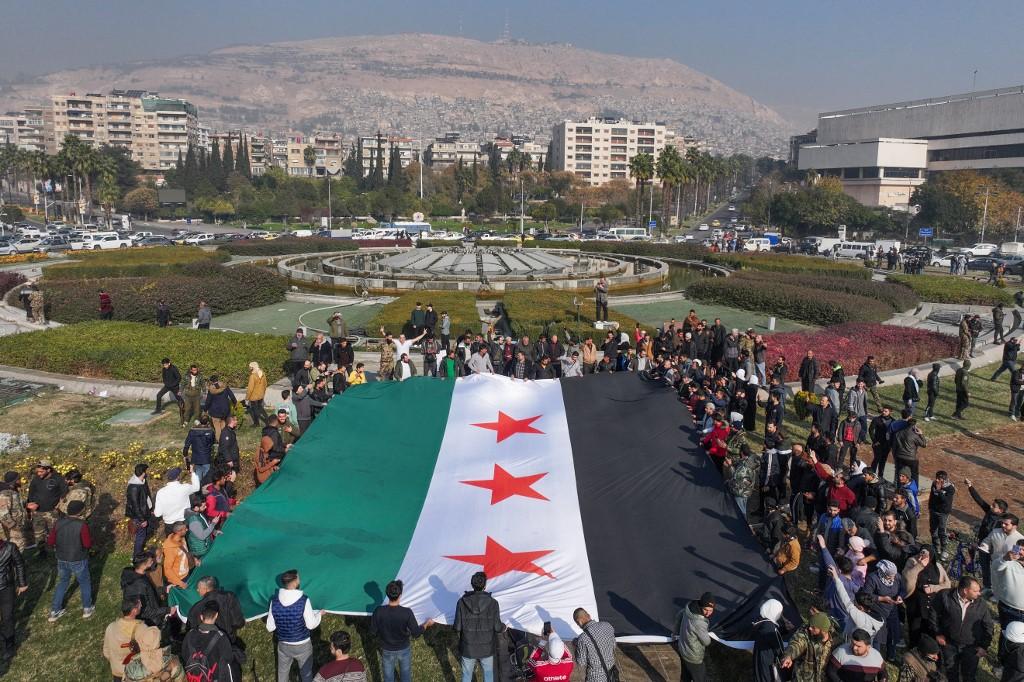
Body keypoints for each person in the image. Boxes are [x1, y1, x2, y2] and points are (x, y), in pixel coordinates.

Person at [926, 577, 993, 682]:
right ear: (965, 591)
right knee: (950, 672)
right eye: (975, 591)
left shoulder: (981, 604)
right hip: (949, 644)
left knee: (969, 675)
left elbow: (988, 626)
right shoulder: (944, 596)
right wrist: (937, 633)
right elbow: (933, 613)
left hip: (971, 647)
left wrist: (984, 646)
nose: (979, 593)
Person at [266, 569, 323, 682]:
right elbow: (311, 625)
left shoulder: (274, 601)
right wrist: (319, 614)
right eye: (298, 577)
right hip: (302, 645)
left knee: (282, 674)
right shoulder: (304, 600)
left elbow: (270, 627)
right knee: (306, 674)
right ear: (295, 581)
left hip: (283, 645)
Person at [370, 580, 432, 682]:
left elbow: (373, 632)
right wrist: (426, 624)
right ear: (400, 595)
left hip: (387, 649)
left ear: (387, 594)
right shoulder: (406, 612)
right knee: (406, 677)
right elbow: (416, 633)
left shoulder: (378, 611)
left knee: (388, 678)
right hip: (404, 649)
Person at [46, 499, 94, 621]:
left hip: (62, 558)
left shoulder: (58, 523)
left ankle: (55, 611)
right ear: (79, 511)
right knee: (84, 582)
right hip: (78, 558)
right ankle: (87, 609)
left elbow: (50, 541)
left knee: (62, 582)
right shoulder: (82, 525)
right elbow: (87, 544)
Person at [454, 571, 504, 682]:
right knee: (488, 675)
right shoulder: (493, 603)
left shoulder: (461, 602)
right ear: (485, 585)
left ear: (472, 585)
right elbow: (497, 627)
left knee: (466, 676)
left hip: (468, 647)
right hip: (486, 648)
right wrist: (504, 627)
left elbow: (457, 627)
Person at [902, 546, 953, 648]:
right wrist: (919, 566)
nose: (923, 555)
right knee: (915, 627)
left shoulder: (937, 566)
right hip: (916, 602)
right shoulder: (912, 561)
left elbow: (947, 584)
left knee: (930, 627)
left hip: (932, 603)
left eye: (926, 554)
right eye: (921, 553)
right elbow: (907, 578)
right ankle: (914, 650)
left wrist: (933, 588)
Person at [182, 602, 237, 681]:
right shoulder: (221, 637)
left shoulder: (190, 634)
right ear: (216, 615)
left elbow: (184, 655)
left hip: (193, 678)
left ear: (201, 617)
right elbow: (226, 665)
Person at [186, 575, 245, 648]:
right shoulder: (229, 597)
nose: (197, 590)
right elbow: (238, 622)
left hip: (207, 648)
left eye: (199, 588)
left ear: (206, 589)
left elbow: (190, 632)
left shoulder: (196, 608)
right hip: (228, 642)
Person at [26, 458, 68, 557]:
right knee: (39, 534)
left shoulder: (58, 478)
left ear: (48, 470)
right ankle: (42, 552)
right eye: (38, 471)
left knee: (56, 533)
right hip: (37, 512)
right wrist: (31, 505)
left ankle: (59, 552)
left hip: (52, 512)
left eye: (41, 471)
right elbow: (31, 493)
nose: (39, 473)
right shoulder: (36, 479)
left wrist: (58, 507)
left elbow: (65, 494)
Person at [982, 514, 1024, 606]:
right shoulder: (995, 532)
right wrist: (984, 547)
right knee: (994, 580)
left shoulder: (1019, 540)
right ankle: (996, 596)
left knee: (1005, 584)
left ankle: (1003, 600)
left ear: (1014, 526)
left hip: (1008, 567)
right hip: (994, 562)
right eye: (1002, 523)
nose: (1003, 525)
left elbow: (1017, 556)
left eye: (1006, 524)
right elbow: (987, 541)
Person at [119, 552, 171, 627]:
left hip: (154, 613)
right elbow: (146, 611)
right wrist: (168, 610)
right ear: (143, 565)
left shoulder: (140, 574)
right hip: (150, 622)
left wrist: (163, 589)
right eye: (150, 561)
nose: (153, 561)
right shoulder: (139, 586)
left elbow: (150, 592)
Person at [780, 611, 835, 682]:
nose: (810, 628)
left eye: (813, 627)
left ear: (822, 630)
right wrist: (789, 655)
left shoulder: (834, 640)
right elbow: (797, 644)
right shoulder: (806, 634)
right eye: (810, 626)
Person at [676, 592, 715, 682]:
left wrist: (675, 633)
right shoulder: (699, 622)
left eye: (711, 610)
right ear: (701, 606)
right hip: (693, 657)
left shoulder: (689, 608)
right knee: (700, 679)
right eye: (706, 609)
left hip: (683, 649)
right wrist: (706, 634)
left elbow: (678, 616)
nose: (708, 613)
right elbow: (707, 642)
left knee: (685, 677)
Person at [0, 533, 26, 662]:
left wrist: (22, 583)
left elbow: (19, 564)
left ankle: (9, 646)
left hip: (6, 588)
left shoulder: (10, 547)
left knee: (8, 617)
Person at [152, 465, 201, 532]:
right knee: (184, 541)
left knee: (171, 541)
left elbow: (158, 513)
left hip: (169, 525)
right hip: (183, 523)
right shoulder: (184, 488)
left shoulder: (160, 492)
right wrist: (192, 472)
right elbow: (196, 487)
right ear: (178, 477)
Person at [573, 607, 617, 682]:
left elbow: (581, 662)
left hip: (595, 678)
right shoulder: (607, 625)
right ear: (589, 616)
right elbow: (614, 646)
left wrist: (576, 647)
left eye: (577, 623)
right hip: (612, 674)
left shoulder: (583, 638)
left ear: (579, 622)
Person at [104, 597, 142, 682]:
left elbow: (106, 652)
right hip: (134, 672)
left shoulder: (110, 627)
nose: (141, 605)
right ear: (134, 611)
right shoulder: (140, 628)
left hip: (116, 671)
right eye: (139, 605)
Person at [752, 599, 791, 682]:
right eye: (780, 612)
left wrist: (784, 630)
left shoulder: (762, 623)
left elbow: (770, 637)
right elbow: (779, 649)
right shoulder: (770, 629)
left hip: (760, 661)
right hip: (768, 665)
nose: (780, 615)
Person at [891, 418, 926, 487]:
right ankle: (914, 489)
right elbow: (924, 444)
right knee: (914, 474)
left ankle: (899, 489)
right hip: (911, 458)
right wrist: (921, 434)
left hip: (899, 457)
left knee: (899, 474)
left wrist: (895, 457)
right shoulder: (915, 435)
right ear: (914, 425)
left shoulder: (898, 433)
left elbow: (894, 447)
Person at [928, 471, 955, 557]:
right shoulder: (934, 484)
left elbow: (946, 501)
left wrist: (939, 491)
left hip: (943, 513)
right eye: (936, 478)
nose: (937, 480)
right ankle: (936, 548)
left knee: (942, 532)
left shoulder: (950, 488)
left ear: (944, 479)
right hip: (933, 511)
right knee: (933, 531)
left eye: (939, 478)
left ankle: (944, 550)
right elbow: (931, 496)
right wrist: (930, 507)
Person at [183, 415, 216, 483]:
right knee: (207, 481)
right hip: (206, 458)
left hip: (196, 458)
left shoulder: (192, 431)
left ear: (199, 421)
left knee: (198, 481)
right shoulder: (210, 431)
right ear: (207, 422)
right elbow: (213, 442)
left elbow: (187, 445)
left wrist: (185, 455)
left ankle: (198, 492)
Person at [0, 472, 27, 552]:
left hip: (15, 527)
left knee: (16, 548)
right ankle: (15, 564)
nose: (20, 481)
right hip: (12, 529)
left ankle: (15, 563)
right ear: (14, 481)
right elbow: (3, 513)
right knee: (17, 547)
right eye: (18, 479)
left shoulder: (13, 491)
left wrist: (25, 504)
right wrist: (13, 526)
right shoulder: (6, 493)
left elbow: (14, 506)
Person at [204, 376, 237, 441]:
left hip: (215, 411)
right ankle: (225, 439)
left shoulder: (211, 390)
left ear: (211, 382)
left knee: (217, 427)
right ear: (218, 380)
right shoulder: (225, 386)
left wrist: (205, 409)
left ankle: (219, 442)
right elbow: (232, 397)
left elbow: (208, 401)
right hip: (225, 410)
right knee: (223, 425)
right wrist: (235, 404)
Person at [161, 521, 191, 590]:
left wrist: (194, 560)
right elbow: (167, 569)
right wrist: (180, 583)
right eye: (185, 529)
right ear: (178, 531)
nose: (187, 529)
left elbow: (185, 554)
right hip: (179, 579)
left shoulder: (182, 538)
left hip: (186, 574)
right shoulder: (170, 549)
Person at [245, 361, 269, 427]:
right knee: (260, 408)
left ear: (253, 367)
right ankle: (268, 420)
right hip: (261, 395)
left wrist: (247, 398)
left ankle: (256, 423)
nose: (249, 368)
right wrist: (263, 393)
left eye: (250, 367)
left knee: (255, 410)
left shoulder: (252, 376)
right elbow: (265, 384)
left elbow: (250, 389)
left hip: (254, 397)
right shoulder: (263, 373)